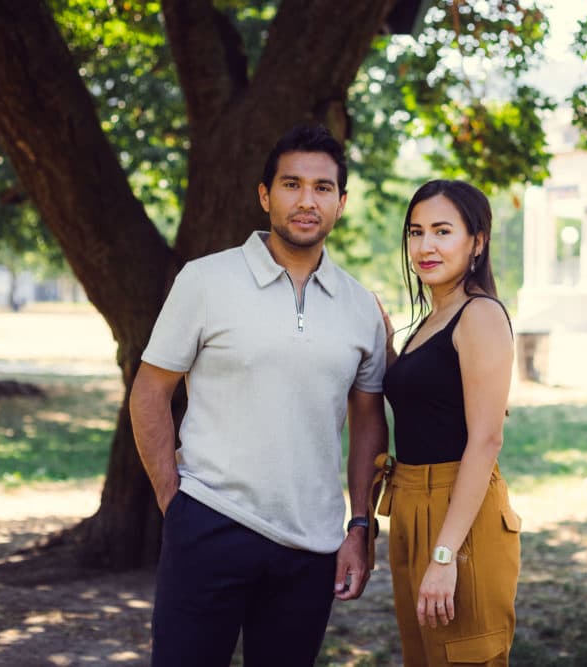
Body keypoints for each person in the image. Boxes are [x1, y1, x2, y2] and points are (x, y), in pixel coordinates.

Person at [129, 124, 389, 667]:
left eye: (322, 188)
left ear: (341, 203)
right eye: (291, 184)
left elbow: (368, 422)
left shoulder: (360, 306)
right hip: (209, 523)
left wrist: (359, 525)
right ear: (265, 195)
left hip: (312, 547)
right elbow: (151, 392)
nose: (306, 200)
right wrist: (172, 501)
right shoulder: (204, 280)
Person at [379, 180, 521, 666]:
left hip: (460, 514)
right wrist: (384, 343)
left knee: (464, 656)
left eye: (443, 231)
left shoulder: (478, 315)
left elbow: (485, 440)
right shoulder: (432, 318)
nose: (426, 246)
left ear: (476, 242)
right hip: (411, 505)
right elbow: (424, 399)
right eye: (416, 232)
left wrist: (444, 556)